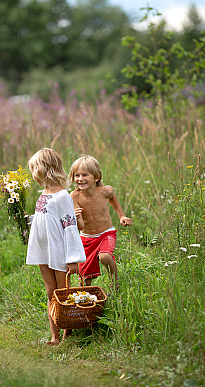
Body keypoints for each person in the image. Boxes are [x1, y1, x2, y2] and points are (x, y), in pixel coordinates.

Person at [26, 148, 86, 346]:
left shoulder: (63, 196)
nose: (33, 172)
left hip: (59, 251)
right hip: (43, 250)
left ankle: (68, 330)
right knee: (50, 291)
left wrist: (72, 259)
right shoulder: (43, 193)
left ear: (45, 169)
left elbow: (70, 228)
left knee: (63, 291)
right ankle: (54, 335)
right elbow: (45, 219)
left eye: (34, 168)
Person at [69, 155, 132, 287]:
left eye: (85, 175)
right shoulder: (75, 196)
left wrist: (122, 216)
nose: (80, 179)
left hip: (106, 234)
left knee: (105, 257)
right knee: (85, 280)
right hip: (87, 238)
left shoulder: (105, 191)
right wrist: (75, 217)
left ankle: (115, 284)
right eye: (77, 175)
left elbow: (112, 198)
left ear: (96, 177)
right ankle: (87, 299)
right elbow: (80, 227)